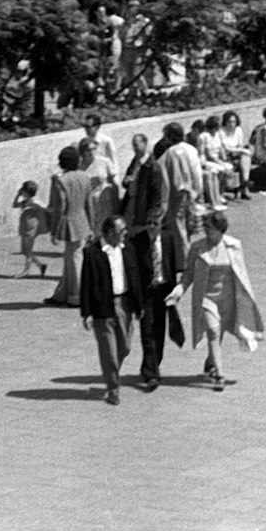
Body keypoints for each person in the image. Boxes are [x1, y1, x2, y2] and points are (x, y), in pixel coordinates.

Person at [187, 208, 262, 391]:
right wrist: (179, 289)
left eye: (210, 227)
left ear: (220, 229)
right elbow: (188, 273)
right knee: (213, 331)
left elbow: (241, 274)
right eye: (205, 226)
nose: (206, 230)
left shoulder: (233, 246)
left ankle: (211, 363)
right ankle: (219, 375)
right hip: (206, 298)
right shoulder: (197, 247)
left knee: (218, 333)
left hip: (227, 298)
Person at [79, 215, 141, 405]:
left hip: (124, 305)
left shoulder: (127, 248)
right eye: (122, 231)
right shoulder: (92, 252)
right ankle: (113, 389)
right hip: (103, 308)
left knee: (125, 347)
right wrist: (86, 313)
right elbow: (86, 284)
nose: (126, 233)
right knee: (109, 352)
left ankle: (110, 373)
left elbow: (135, 276)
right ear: (111, 232)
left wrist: (139, 305)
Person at [134, 190, 190, 393]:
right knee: (147, 332)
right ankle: (152, 375)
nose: (151, 227)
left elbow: (171, 264)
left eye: (155, 224)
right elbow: (133, 271)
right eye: (149, 223)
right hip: (146, 293)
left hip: (163, 291)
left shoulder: (167, 239)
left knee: (159, 332)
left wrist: (173, 293)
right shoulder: (138, 241)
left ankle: (150, 366)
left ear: (161, 225)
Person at [45, 146, 94, 306]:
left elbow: (60, 208)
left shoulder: (62, 180)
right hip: (82, 221)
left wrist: (54, 230)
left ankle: (76, 296)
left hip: (69, 222)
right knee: (70, 257)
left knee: (74, 260)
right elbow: (89, 204)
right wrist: (92, 226)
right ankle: (62, 294)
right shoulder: (85, 177)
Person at [11, 180, 50, 278]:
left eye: (23, 191)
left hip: (31, 229)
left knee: (28, 250)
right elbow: (14, 205)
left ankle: (26, 271)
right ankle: (40, 266)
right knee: (25, 251)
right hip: (24, 227)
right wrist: (17, 195)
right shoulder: (25, 202)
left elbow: (45, 209)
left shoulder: (35, 202)